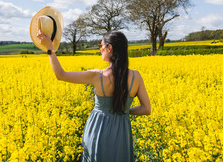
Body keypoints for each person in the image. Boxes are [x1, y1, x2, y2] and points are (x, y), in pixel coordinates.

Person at [37, 30, 151, 162]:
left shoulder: (98, 76)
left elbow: (61, 75)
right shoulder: (136, 77)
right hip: (122, 132)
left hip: (98, 130)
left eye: (100, 46)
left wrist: (50, 49)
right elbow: (146, 109)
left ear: (110, 48)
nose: (100, 49)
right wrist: (124, 110)